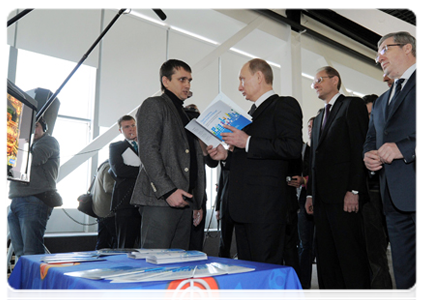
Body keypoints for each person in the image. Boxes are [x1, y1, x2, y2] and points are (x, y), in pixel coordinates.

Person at [207, 58, 303, 264]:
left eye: (243, 79)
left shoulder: (283, 105)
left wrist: (248, 141)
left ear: (259, 77)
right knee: (248, 271)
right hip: (244, 209)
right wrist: (226, 156)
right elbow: (251, 157)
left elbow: (293, 147)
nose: (239, 86)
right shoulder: (251, 114)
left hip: (265, 209)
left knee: (264, 271)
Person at [305, 66, 371, 300]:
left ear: (335, 80)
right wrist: (310, 195)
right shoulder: (320, 116)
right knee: (326, 257)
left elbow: (358, 149)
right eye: (314, 82)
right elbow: (313, 160)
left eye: (319, 80)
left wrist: (353, 190)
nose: (315, 85)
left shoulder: (351, 106)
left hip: (344, 197)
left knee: (350, 256)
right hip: (321, 200)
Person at [363, 31, 420, 300]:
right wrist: (369, 157)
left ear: (408, 47)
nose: (379, 57)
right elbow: (371, 139)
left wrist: (404, 148)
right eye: (377, 53)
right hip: (392, 198)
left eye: (384, 49)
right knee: (405, 273)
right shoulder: (382, 102)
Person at [130, 59, 206, 250]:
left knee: (178, 264)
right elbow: (148, 151)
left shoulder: (186, 114)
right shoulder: (154, 105)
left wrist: (197, 202)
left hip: (185, 202)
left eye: (189, 80)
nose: (187, 85)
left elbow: (194, 159)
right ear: (165, 81)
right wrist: (168, 191)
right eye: (182, 79)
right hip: (161, 200)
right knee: (155, 263)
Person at [7, 117, 60, 258]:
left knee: (32, 252)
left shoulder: (48, 141)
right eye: (27, 126)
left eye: (35, 125)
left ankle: (37, 280)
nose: (32, 130)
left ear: (43, 128)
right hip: (16, 200)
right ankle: (26, 280)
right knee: (20, 253)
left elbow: (34, 158)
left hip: (34, 199)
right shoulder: (20, 146)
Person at [361, 94, 393, 300]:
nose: (370, 120)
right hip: (369, 194)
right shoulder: (362, 137)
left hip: (388, 191)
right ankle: (380, 293)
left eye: (373, 115)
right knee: (374, 249)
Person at [184, 104, 218, 251]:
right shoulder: (180, 138)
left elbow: (212, 163)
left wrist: (203, 142)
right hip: (181, 194)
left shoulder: (204, 138)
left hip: (199, 196)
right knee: (182, 240)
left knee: (196, 242)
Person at [290, 116, 315, 296]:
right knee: (304, 245)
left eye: (313, 127)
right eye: (309, 127)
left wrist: (305, 180)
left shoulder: (322, 150)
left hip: (320, 202)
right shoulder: (300, 150)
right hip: (301, 203)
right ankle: (303, 285)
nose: (310, 130)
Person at [109, 115, 141, 248]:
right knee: (125, 243)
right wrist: (142, 172)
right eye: (127, 127)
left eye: (133, 125)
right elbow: (119, 170)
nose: (131, 129)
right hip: (125, 201)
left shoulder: (146, 145)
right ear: (120, 130)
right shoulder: (116, 147)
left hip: (144, 201)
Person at [91, 159, 116, 250]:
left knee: (103, 239)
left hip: (100, 208)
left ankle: (99, 261)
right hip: (107, 210)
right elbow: (108, 187)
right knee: (115, 238)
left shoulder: (103, 165)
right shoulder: (109, 167)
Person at [215, 158, 234, 258]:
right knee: (224, 241)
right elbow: (221, 183)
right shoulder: (224, 161)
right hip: (225, 205)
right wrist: (217, 207)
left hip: (241, 206)